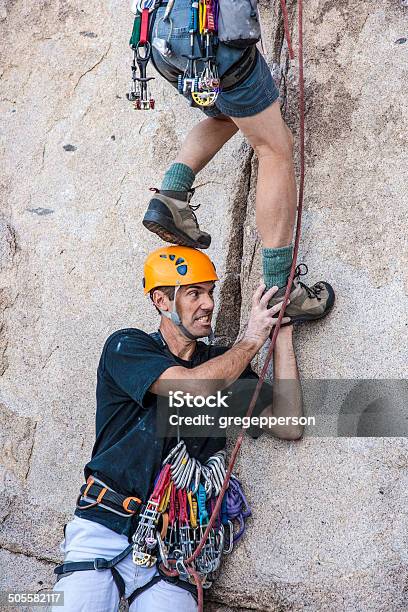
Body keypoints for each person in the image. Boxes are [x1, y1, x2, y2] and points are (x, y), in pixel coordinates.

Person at [52, 246, 303, 611]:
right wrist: (251, 339)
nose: (209, 304)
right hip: (105, 526)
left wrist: (280, 335)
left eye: (211, 292)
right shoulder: (127, 347)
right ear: (161, 300)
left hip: (176, 545)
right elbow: (191, 386)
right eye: (194, 293)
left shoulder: (222, 367)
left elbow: (289, 423)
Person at [142, 0, 335, 324]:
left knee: (231, 116)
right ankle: (281, 289)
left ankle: (172, 195)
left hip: (161, 34)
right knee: (274, 148)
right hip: (212, 32)